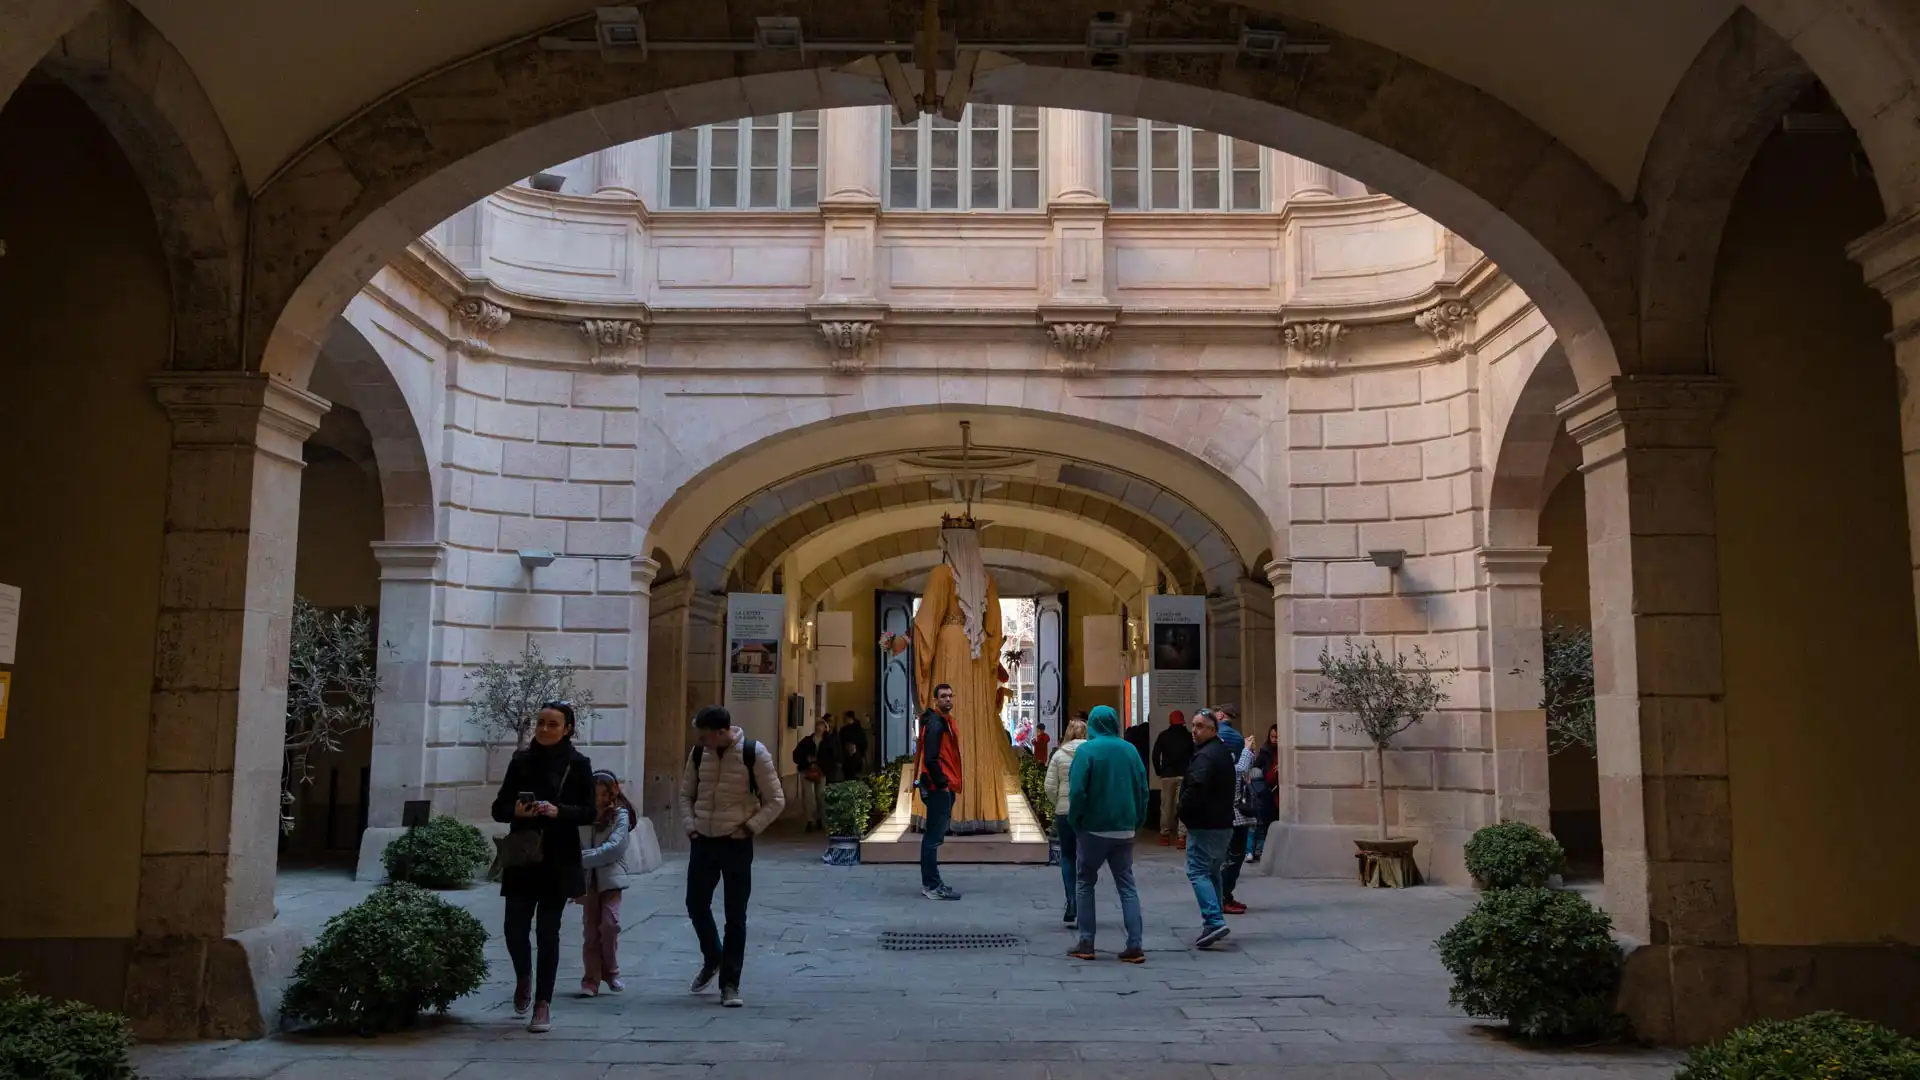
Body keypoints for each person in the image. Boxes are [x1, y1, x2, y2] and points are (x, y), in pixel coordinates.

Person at [907, 519, 1019, 836]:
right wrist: (986, 663)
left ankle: (945, 813)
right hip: (977, 653)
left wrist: (905, 641)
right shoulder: (985, 579)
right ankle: (983, 810)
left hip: (948, 648)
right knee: (975, 728)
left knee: (946, 721)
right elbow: (995, 631)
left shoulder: (941, 575)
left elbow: (925, 624)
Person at [490, 701, 596, 1033]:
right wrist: (518, 812)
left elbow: (589, 812)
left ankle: (542, 1003)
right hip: (523, 854)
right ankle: (524, 975)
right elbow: (499, 807)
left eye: (552, 724)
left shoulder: (579, 764)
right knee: (514, 927)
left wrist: (558, 811)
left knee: (548, 933)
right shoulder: (520, 760)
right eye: (540, 722)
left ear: (567, 729)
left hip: (558, 858)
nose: (544, 729)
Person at [678, 704, 785, 1008]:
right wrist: (690, 826)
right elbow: (686, 793)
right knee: (695, 904)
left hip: (736, 842)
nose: (701, 741)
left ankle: (730, 983)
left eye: (705, 735)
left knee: (735, 915)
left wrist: (750, 828)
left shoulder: (754, 753)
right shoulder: (700, 754)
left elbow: (776, 799)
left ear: (722, 732)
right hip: (703, 840)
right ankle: (713, 957)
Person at [1066, 705, 1150, 964]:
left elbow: (1077, 790)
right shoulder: (1130, 750)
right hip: (1124, 827)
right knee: (1126, 884)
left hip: (1092, 827)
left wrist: (1075, 820)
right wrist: (1137, 821)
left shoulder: (1086, 751)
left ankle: (1087, 941)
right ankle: (1134, 944)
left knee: (1084, 882)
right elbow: (1143, 789)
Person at [578, 769, 646, 997]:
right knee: (590, 931)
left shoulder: (620, 815)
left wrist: (580, 859)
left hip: (611, 878)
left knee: (610, 925)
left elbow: (615, 848)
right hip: (587, 881)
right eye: (595, 795)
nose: (599, 800)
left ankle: (611, 971)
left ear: (612, 793)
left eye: (603, 795)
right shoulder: (582, 814)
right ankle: (591, 980)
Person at [1179, 708, 1237, 949]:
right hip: (1221, 823)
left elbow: (1197, 788)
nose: (1195, 730)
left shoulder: (1206, 756)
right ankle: (1216, 919)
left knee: (1197, 871)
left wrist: (1183, 811)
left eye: (1200, 726)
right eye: (1193, 725)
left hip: (1206, 824)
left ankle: (1213, 920)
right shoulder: (1220, 752)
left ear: (1213, 730)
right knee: (1211, 871)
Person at [914, 682, 963, 900]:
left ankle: (933, 883)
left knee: (934, 837)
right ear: (936, 700)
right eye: (943, 696)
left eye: (950, 696)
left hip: (940, 786)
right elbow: (931, 758)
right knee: (933, 838)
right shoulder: (936, 724)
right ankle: (931, 886)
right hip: (938, 787)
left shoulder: (940, 722)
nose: (948, 700)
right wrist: (942, 783)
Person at [1040, 717, 1089, 925]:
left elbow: (1049, 786)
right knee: (1086, 859)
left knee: (1067, 856)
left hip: (1064, 812)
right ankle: (1085, 902)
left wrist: (1060, 802)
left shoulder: (1059, 755)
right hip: (1087, 813)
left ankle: (1071, 900)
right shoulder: (1092, 752)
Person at [1212, 705, 1252, 916]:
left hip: (1220, 809)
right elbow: (1240, 771)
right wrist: (1246, 750)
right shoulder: (1236, 739)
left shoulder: (1216, 740)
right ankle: (1222, 896)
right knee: (1234, 855)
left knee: (1225, 855)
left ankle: (1223, 895)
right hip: (1233, 811)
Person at [1151, 709, 1193, 849]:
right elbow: (1194, 755)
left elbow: (1155, 755)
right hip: (1184, 775)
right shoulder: (1188, 736)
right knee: (1182, 805)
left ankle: (1165, 835)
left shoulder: (1163, 736)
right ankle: (1182, 837)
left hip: (1167, 775)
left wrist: (1159, 771)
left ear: (1170, 721)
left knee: (1166, 806)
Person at [793, 719, 831, 832]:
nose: (819, 728)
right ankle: (810, 820)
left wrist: (822, 764)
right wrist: (807, 760)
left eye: (821, 726)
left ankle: (820, 818)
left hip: (821, 771)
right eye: (817, 725)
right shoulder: (807, 741)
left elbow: (832, 756)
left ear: (825, 728)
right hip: (806, 770)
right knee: (808, 796)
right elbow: (796, 754)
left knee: (820, 795)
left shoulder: (828, 742)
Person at [1249, 725, 1280, 863]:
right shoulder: (1265, 750)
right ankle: (1258, 851)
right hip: (1267, 790)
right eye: (1272, 737)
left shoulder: (1281, 751)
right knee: (1262, 824)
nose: (1274, 740)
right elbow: (1256, 767)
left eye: (1277, 737)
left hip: (1276, 790)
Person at [839, 710, 869, 780]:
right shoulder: (859, 729)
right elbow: (864, 744)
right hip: (857, 757)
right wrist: (862, 755)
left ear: (848, 718)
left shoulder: (844, 730)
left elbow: (840, 743)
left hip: (847, 758)